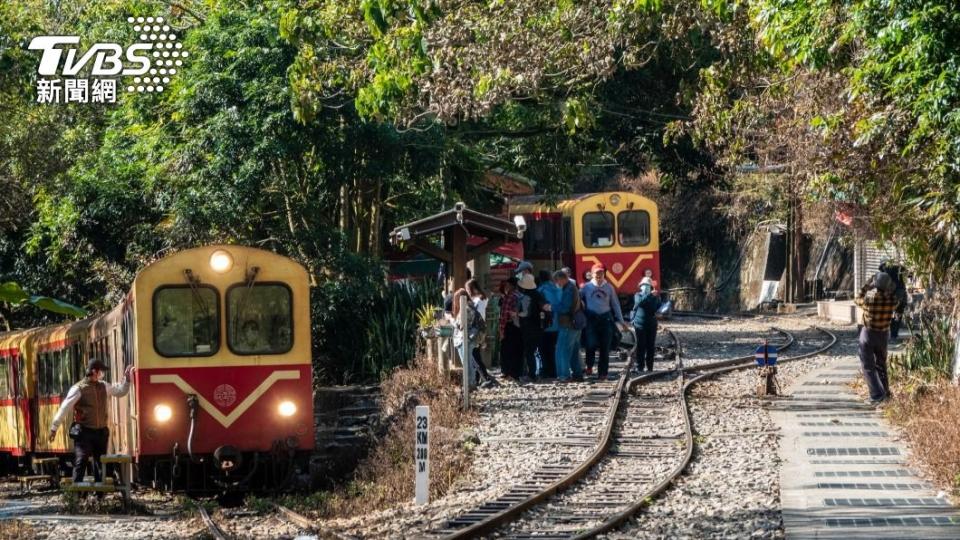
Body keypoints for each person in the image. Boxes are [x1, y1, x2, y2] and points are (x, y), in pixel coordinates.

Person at [50, 359, 135, 483]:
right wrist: (54, 427)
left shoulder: (104, 385)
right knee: (81, 460)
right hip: (84, 432)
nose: (102, 374)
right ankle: (77, 494)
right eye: (101, 371)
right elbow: (64, 408)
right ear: (94, 372)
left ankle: (100, 495)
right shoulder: (79, 389)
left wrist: (127, 380)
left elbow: (120, 391)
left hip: (101, 432)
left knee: (100, 463)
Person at [854, 272, 898, 404]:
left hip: (868, 334)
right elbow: (894, 297)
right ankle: (885, 392)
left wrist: (867, 285)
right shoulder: (892, 300)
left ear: (876, 284)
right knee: (881, 365)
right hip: (883, 335)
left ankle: (876, 395)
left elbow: (857, 299)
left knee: (868, 366)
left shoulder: (870, 298)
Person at [580, 263, 627, 379]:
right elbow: (577, 300)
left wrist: (621, 321)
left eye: (601, 273)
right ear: (592, 274)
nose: (599, 275)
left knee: (605, 347)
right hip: (591, 319)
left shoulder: (609, 287)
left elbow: (615, 305)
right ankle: (589, 365)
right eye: (597, 273)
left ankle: (603, 373)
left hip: (606, 319)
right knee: (590, 344)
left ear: (604, 274)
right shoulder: (586, 287)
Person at [554, 269, 585, 381]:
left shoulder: (568, 290)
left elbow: (565, 308)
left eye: (557, 281)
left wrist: (552, 307)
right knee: (574, 351)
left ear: (562, 279)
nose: (557, 284)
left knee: (562, 349)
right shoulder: (573, 288)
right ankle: (577, 374)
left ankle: (564, 375)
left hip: (568, 324)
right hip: (576, 324)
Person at [517, 273, 548, 382]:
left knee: (529, 351)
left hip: (528, 327)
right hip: (539, 326)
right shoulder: (539, 294)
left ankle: (532, 374)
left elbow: (525, 313)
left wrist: (515, 314)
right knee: (538, 351)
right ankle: (540, 372)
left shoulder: (525, 297)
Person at [465, 279, 496, 387]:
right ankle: (479, 378)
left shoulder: (478, 301)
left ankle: (485, 377)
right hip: (480, 328)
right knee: (475, 353)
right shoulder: (483, 299)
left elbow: (475, 315)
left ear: (472, 289)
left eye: (468, 289)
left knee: (474, 355)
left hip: (476, 329)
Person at [631, 277, 661, 372]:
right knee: (641, 345)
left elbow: (656, 307)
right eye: (644, 285)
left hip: (651, 324)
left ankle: (650, 367)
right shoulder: (637, 295)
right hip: (639, 324)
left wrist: (656, 298)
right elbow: (640, 302)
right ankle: (640, 366)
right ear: (640, 286)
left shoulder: (654, 296)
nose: (646, 287)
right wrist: (649, 296)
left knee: (650, 346)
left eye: (648, 286)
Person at [537, 270, 561, 378]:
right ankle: (555, 370)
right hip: (558, 324)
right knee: (554, 349)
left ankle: (547, 371)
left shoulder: (541, 290)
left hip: (545, 325)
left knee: (544, 349)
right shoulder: (558, 289)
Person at [498, 278, 523, 380]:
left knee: (507, 350)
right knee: (517, 350)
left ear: (511, 285)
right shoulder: (520, 295)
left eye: (507, 285)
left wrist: (501, 330)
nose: (505, 287)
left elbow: (504, 315)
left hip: (510, 326)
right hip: (519, 326)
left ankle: (508, 373)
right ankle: (516, 373)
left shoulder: (509, 297)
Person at [880, 260, 909, 340]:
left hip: (893, 293)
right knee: (898, 313)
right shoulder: (901, 268)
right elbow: (909, 275)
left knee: (890, 313)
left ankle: (890, 334)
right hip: (902, 293)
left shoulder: (884, 268)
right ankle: (894, 334)